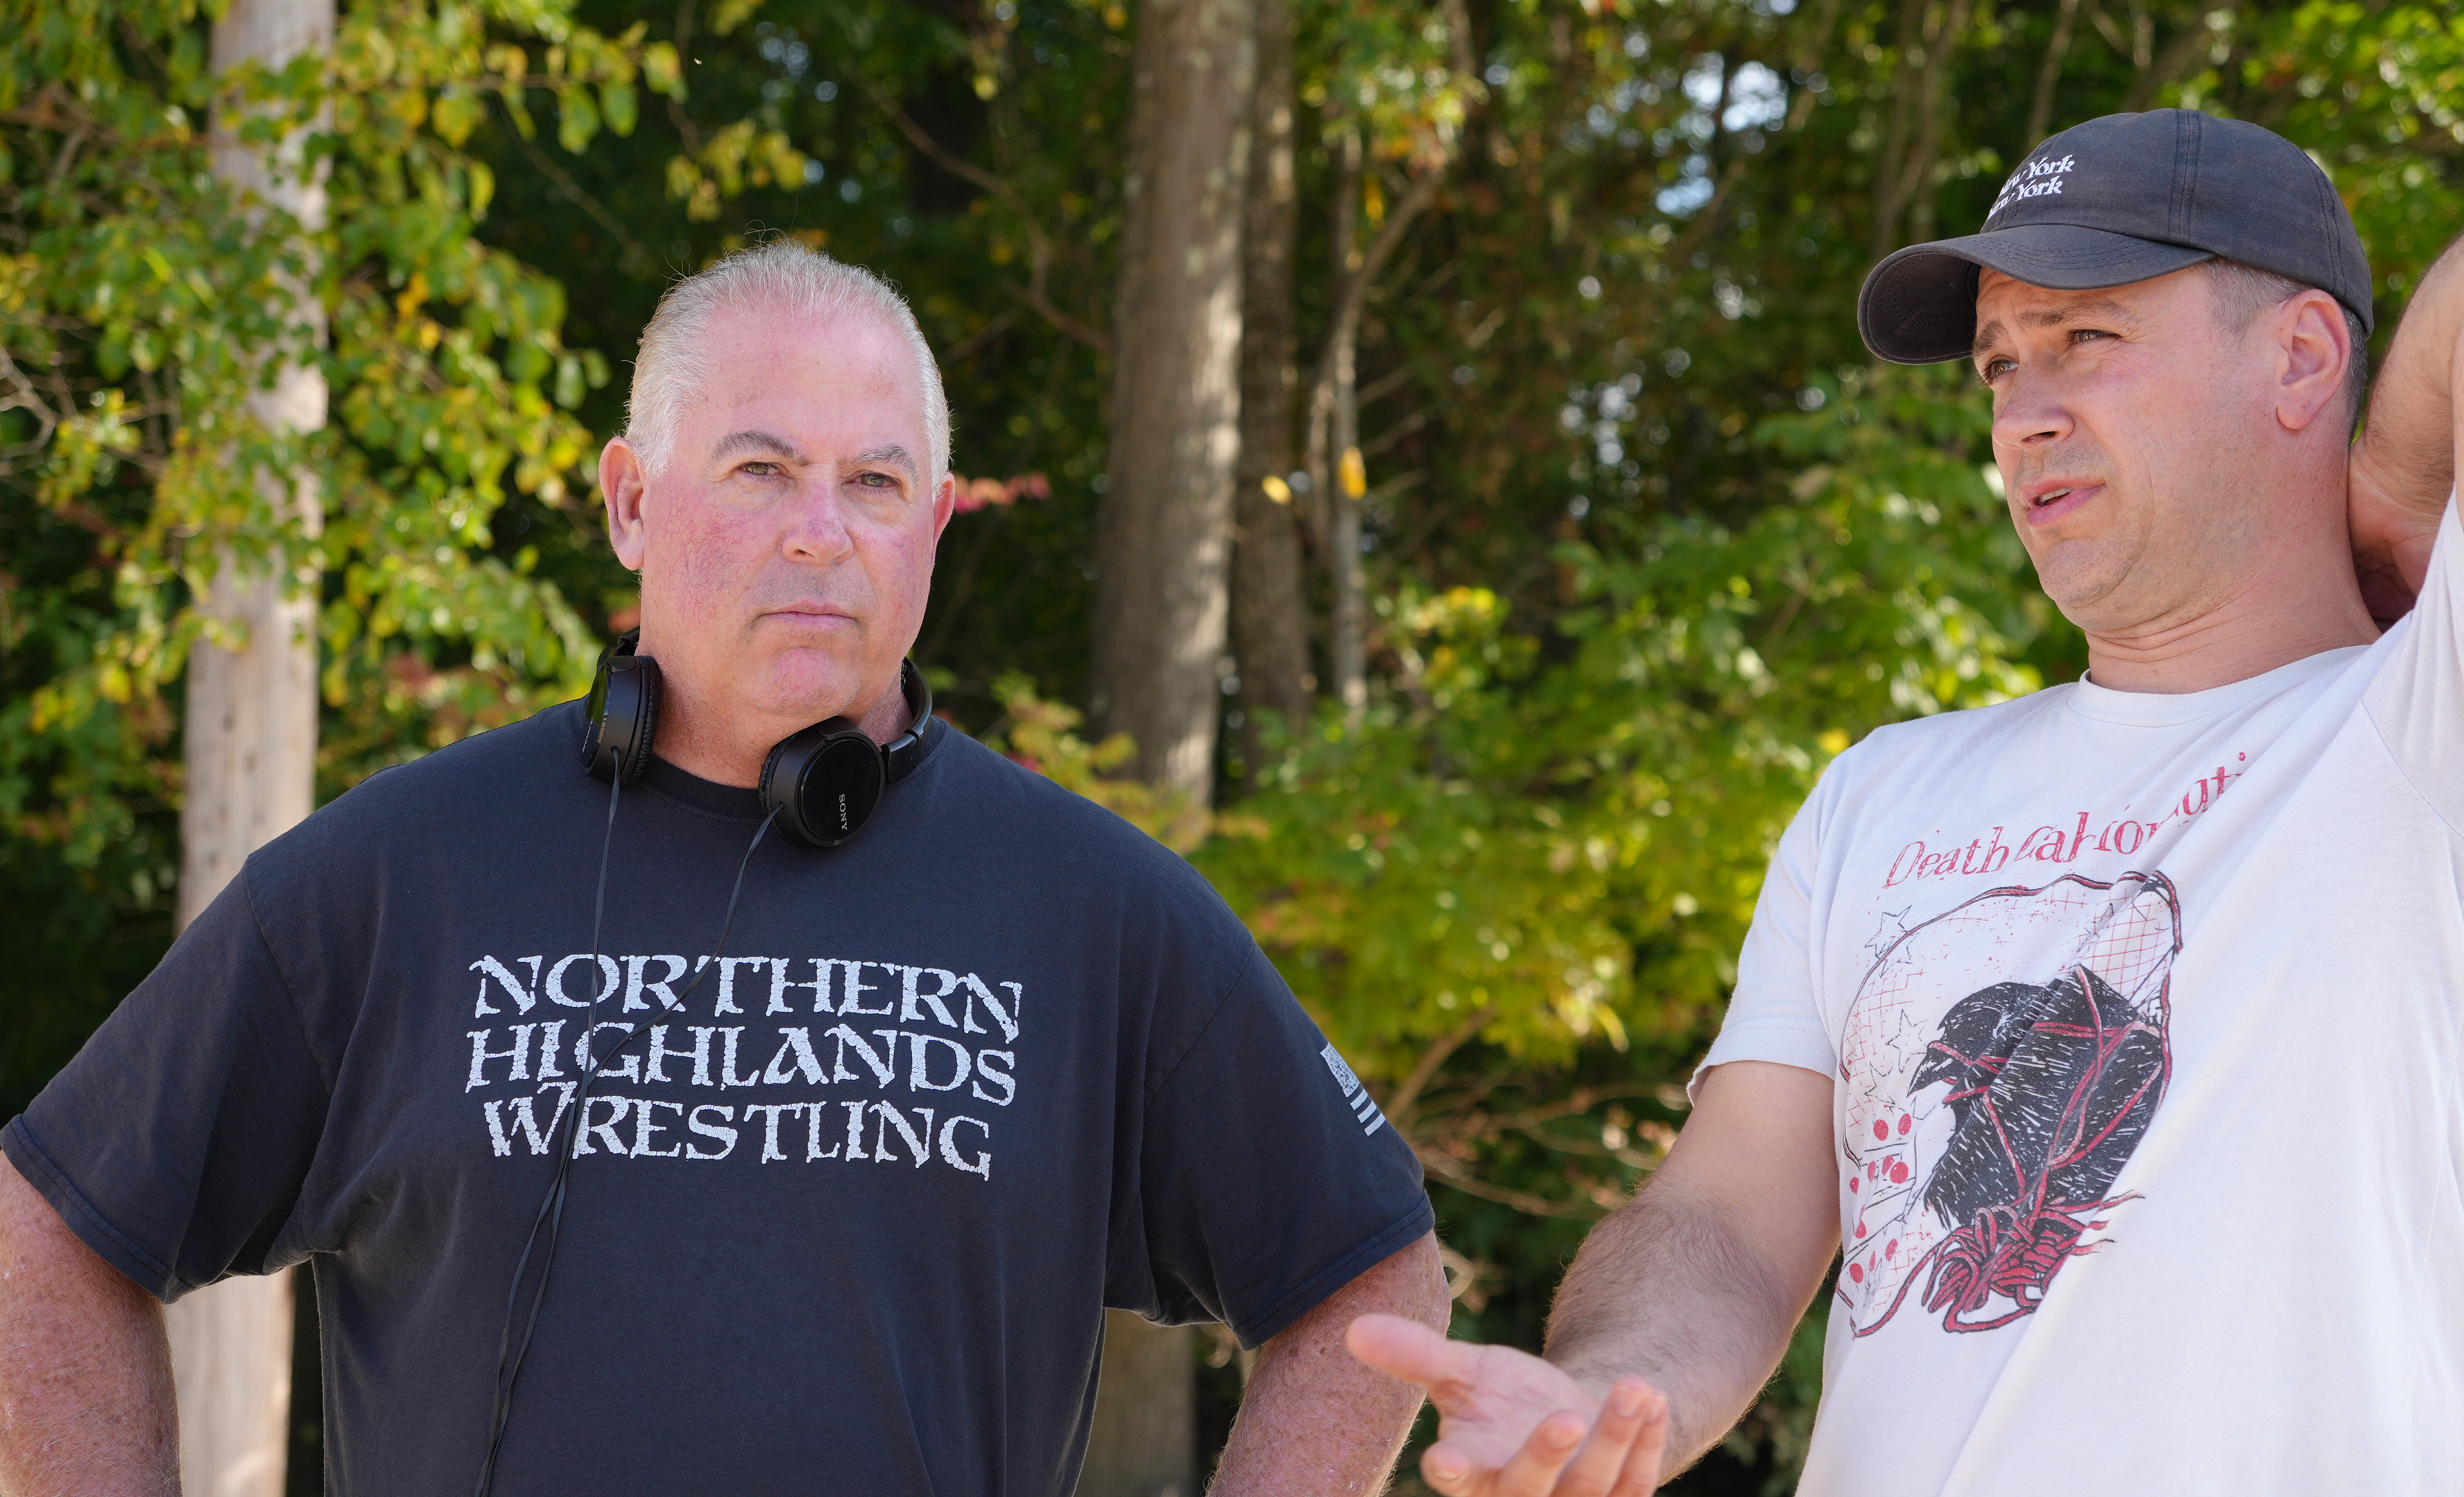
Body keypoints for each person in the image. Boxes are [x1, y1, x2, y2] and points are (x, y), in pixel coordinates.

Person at [1348, 108, 2464, 1495]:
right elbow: (1725, 1218)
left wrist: (2391, 473)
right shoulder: (1880, 790)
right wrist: (1613, 1391)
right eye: (1998, 363)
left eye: (2086, 337)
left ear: (2300, 358)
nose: (2024, 414)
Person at [0, 240, 1447, 1495]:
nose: (822, 532)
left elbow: (1370, 1281)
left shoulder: (1096, 908)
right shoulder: (394, 875)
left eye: (876, 481)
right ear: (631, 502)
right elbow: (47, 1234)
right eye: (761, 469)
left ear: (934, 525)